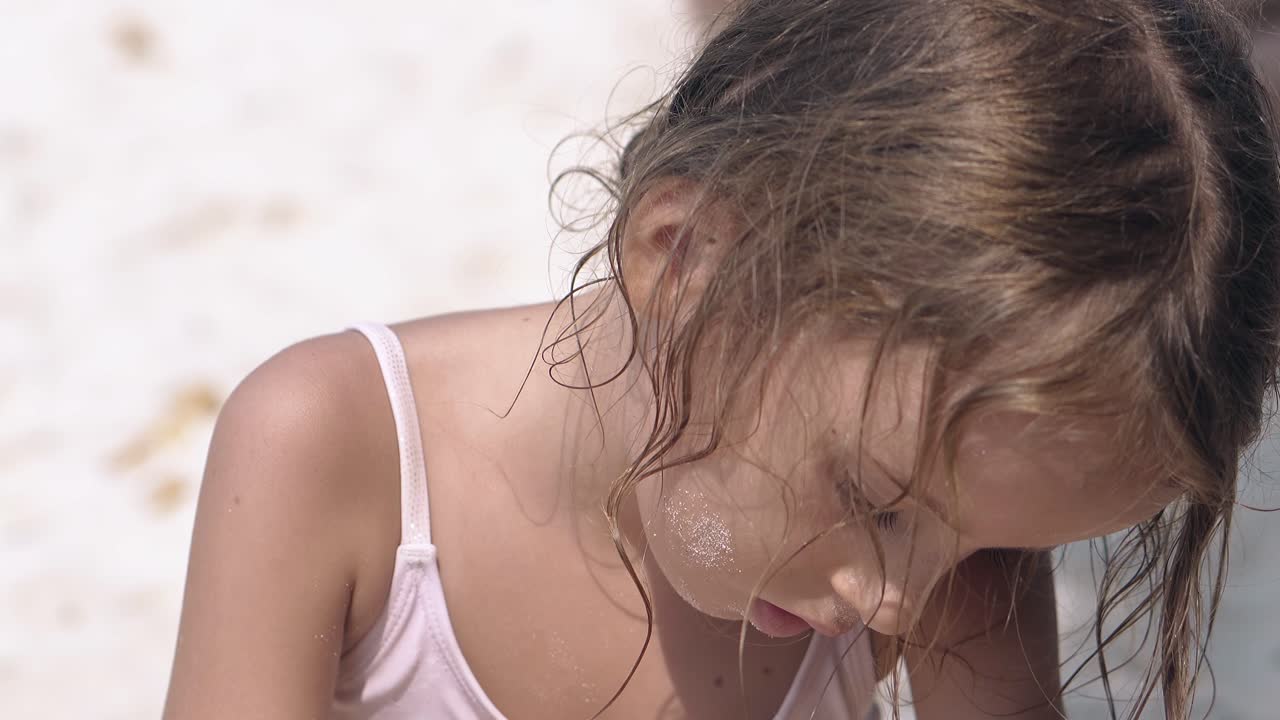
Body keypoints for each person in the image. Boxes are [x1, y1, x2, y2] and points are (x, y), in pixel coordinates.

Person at [162, 1, 1280, 718]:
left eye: (992, 544)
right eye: (872, 499)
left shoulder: (947, 553)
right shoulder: (334, 450)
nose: (899, 606)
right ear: (686, 259)